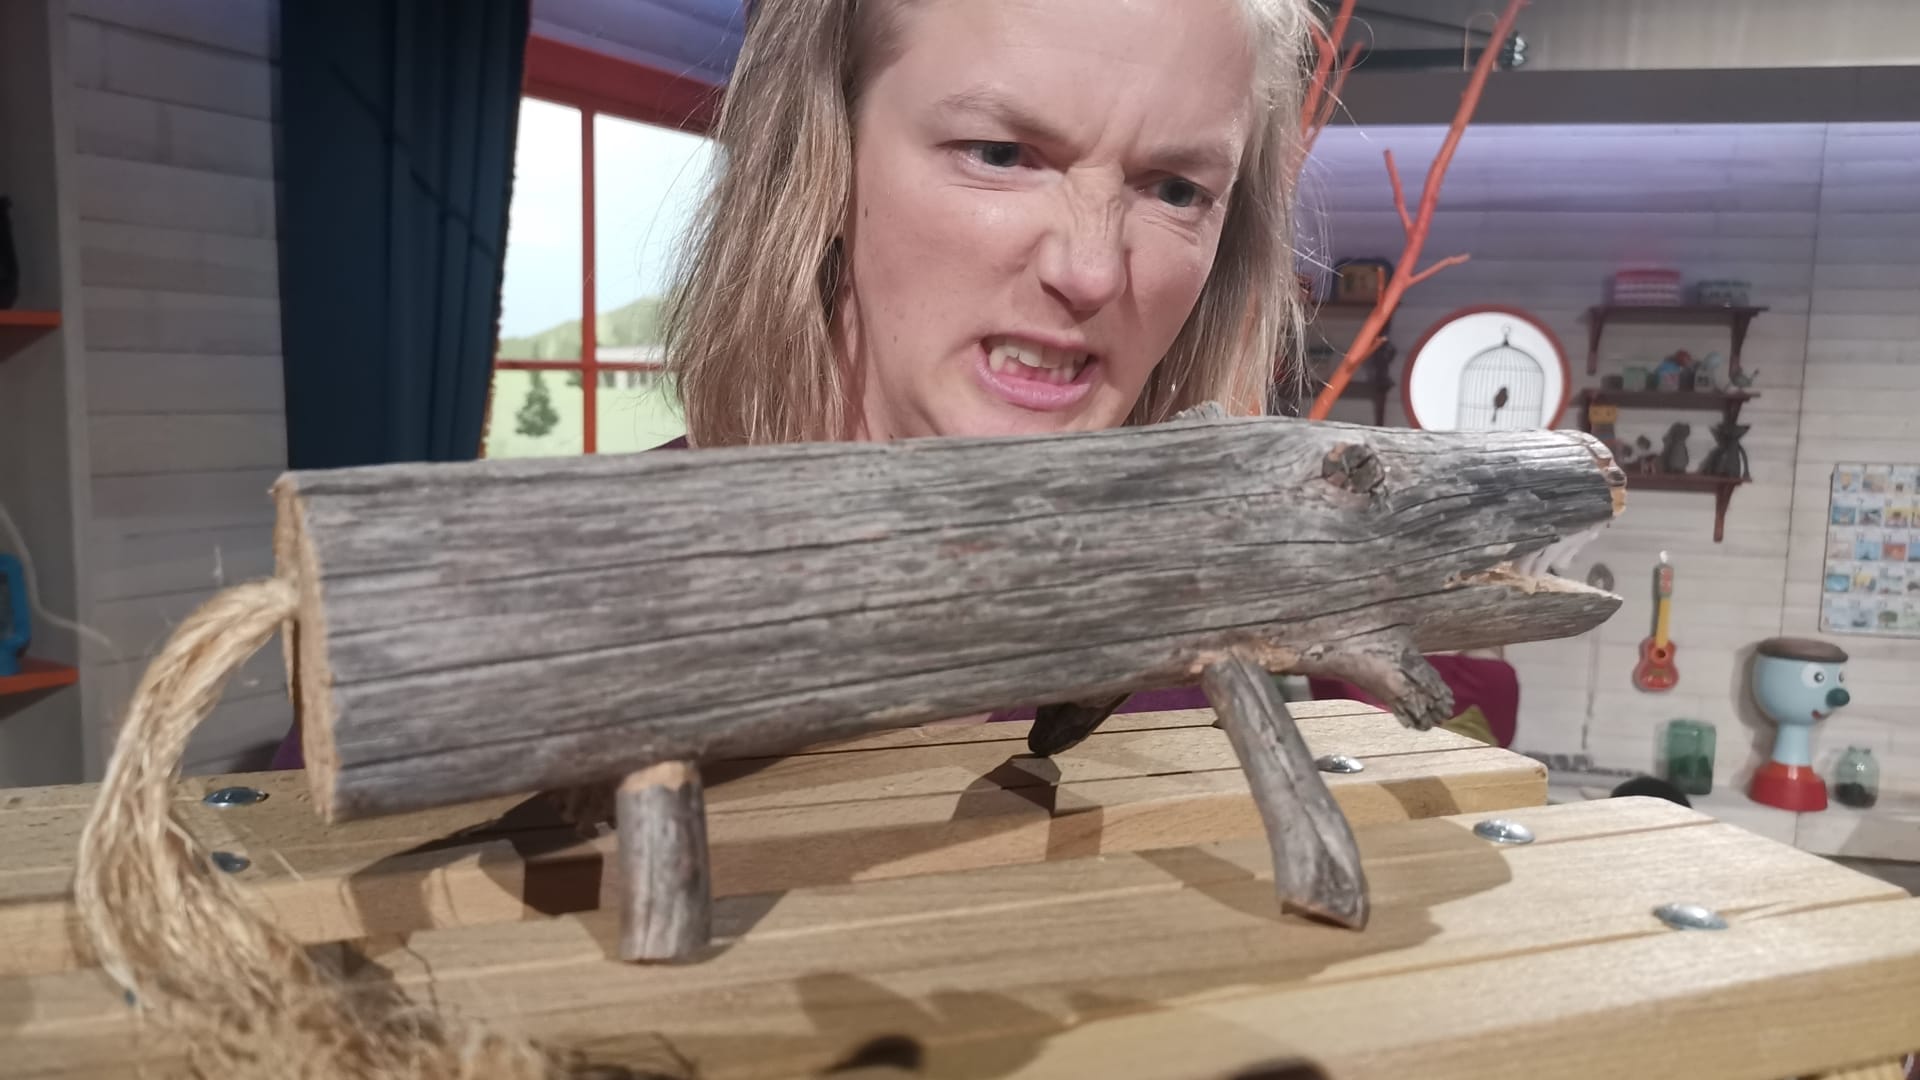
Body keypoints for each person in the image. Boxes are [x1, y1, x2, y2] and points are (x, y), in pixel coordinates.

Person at [271, 0, 1316, 769]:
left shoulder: (1209, 677)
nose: (1089, 270)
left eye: (1174, 189)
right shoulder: (506, 629)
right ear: (822, 157)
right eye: (1000, 153)